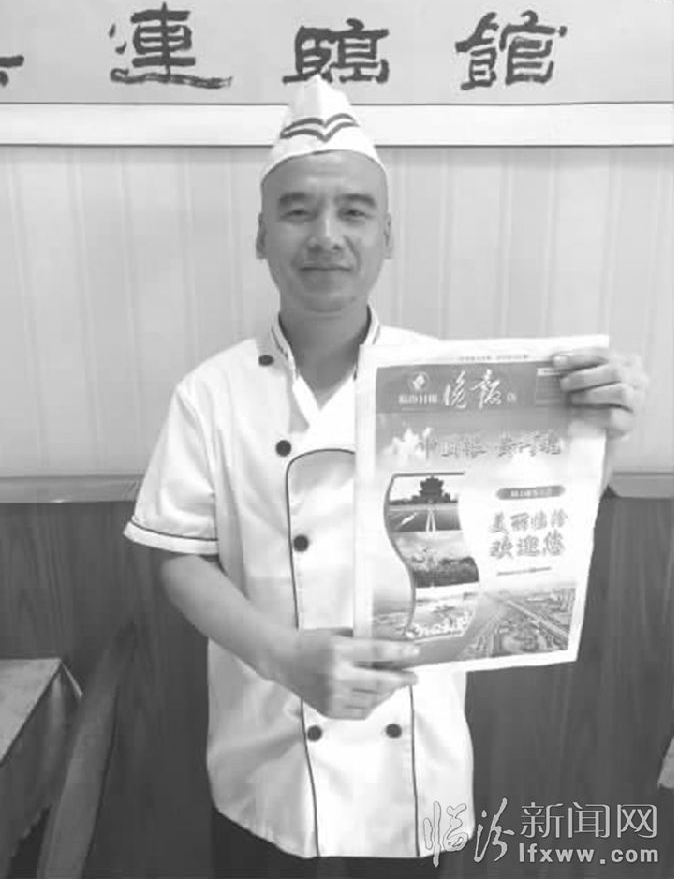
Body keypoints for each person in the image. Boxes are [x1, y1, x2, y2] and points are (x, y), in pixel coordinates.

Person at [124, 76, 648, 878]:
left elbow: (523, 531)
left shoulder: (452, 383)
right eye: (297, 210)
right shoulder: (211, 392)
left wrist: (595, 434)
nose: (325, 235)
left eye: (354, 211)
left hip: (417, 768)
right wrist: (282, 655)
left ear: (388, 235)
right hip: (270, 756)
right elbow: (178, 557)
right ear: (260, 236)